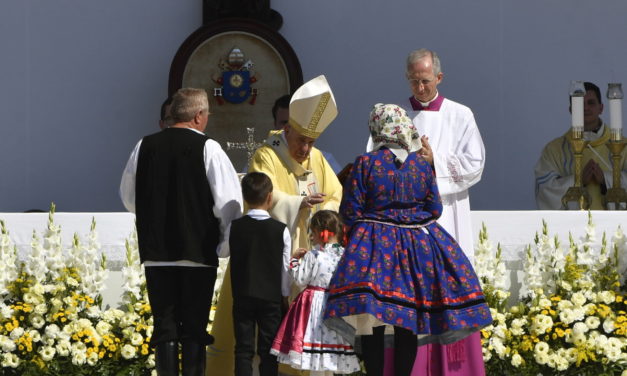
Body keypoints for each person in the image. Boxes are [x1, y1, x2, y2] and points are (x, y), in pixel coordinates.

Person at [324, 104, 492, 376]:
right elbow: (435, 208)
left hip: (374, 248)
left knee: (373, 321)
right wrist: (411, 220)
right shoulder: (421, 165)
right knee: (408, 321)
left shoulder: (365, 163)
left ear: (378, 129)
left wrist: (366, 227)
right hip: (416, 249)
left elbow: (350, 210)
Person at [206, 75, 343, 375]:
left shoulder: (318, 159)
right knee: (252, 338)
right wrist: (298, 203)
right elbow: (262, 196)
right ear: (287, 129)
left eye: (312, 142)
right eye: (301, 141)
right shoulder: (266, 154)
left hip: (304, 254)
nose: (306, 149)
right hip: (266, 258)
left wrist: (322, 209)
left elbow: (334, 194)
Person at [119, 87, 243, 376]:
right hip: (197, 252)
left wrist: (156, 217)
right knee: (195, 328)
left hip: (157, 254)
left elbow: (128, 196)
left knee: (165, 326)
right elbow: (229, 203)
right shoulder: (209, 148)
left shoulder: (144, 145)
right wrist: (224, 245)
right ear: (199, 116)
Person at [271, 210, 361, 376]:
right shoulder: (345, 255)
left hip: (312, 307)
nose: (311, 237)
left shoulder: (314, 255)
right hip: (334, 306)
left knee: (314, 347)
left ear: (322, 233)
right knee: (329, 354)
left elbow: (300, 280)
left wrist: (295, 260)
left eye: (312, 232)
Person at [223, 172, 292, 376]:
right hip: (270, 298)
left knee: (243, 348)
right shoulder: (281, 230)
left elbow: (222, 252)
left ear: (244, 197)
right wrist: (285, 295)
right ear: (270, 197)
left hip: (243, 294)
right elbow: (284, 268)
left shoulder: (235, 227)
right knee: (268, 350)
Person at [534, 81, 627, 209]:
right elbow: (545, 190)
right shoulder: (554, 150)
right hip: (571, 227)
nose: (586, 108)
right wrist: (578, 181)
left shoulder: (623, 147)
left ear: (601, 108)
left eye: (591, 103)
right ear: (571, 109)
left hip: (614, 226)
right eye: (580, 104)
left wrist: (605, 180)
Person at [272, 94, 343, 174]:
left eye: (295, 124)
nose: (290, 129)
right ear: (275, 124)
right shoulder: (266, 159)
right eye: (284, 123)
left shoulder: (325, 161)